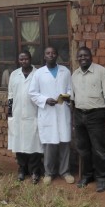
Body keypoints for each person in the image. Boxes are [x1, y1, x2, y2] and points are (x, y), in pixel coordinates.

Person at [71, 46, 105, 193]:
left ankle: (102, 178)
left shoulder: (101, 72)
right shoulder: (75, 75)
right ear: (77, 58)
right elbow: (73, 98)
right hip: (79, 114)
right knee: (83, 149)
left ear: (91, 57)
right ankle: (87, 176)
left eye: (86, 55)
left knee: (99, 149)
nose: (83, 58)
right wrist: (73, 119)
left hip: (96, 115)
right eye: (80, 56)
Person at [29, 46, 74, 185]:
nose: (51, 55)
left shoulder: (65, 71)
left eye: (53, 53)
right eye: (48, 53)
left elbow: (70, 90)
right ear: (44, 56)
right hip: (47, 112)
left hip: (62, 111)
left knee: (65, 143)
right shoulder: (39, 73)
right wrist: (45, 100)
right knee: (49, 145)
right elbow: (32, 93)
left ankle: (65, 172)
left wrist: (67, 97)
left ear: (57, 55)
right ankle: (49, 173)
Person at [7, 51, 43, 184]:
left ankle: (35, 170)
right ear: (18, 60)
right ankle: (22, 169)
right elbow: (10, 96)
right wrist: (10, 115)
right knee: (19, 142)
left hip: (33, 114)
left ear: (30, 59)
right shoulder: (14, 75)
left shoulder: (38, 74)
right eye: (21, 59)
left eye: (26, 59)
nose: (24, 61)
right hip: (17, 115)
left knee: (34, 144)